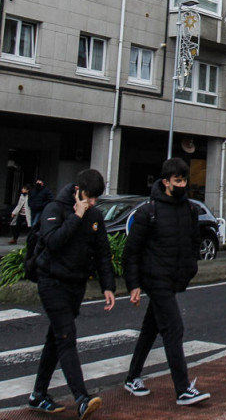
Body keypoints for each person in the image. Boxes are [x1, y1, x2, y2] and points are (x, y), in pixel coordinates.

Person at [28, 169, 116, 419]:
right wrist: (76, 217)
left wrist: (108, 286)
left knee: (55, 340)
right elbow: (52, 242)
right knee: (66, 337)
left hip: (75, 285)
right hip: (51, 282)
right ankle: (81, 397)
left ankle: (37, 395)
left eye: (96, 199)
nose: (92, 203)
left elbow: (102, 253)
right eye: (89, 197)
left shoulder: (95, 216)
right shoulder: (54, 209)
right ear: (78, 191)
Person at [123, 157, 210, 405]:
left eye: (184, 180)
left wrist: (190, 268)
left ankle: (132, 376)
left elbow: (193, 243)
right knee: (174, 328)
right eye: (177, 180)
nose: (182, 185)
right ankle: (182, 389)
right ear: (166, 182)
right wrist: (134, 285)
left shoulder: (189, 210)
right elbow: (131, 252)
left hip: (174, 279)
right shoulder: (148, 212)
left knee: (151, 328)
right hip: (156, 279)